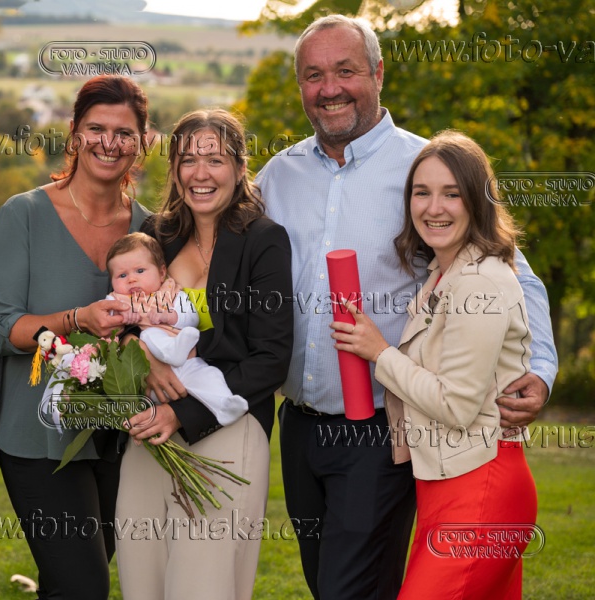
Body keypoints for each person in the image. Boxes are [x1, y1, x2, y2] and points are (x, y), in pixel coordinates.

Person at [255, 14, 558, 599]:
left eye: (345, 71)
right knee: (324, 582)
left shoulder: (428, 170)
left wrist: (541, 368)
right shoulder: (278, 176)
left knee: (351, 589)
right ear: (300, 86)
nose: (329, 88)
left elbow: (518, 275)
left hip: (381, 427)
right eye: (313, 75)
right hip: (297, 427)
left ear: (378, 73)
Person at [331, 130, 537, 597]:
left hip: (480, 490)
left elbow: (457, 405)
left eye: (452, 194)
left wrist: (379, 352)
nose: (433, 207)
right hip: (441, 490)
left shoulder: (479, 283)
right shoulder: (443, 274)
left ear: (478, 202)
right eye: (421, 193)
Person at [0, 74, 151, 599]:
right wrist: (75, 320)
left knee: (73, 580)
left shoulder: (151, 230)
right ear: (75, 134)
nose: (108, 142)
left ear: (142, 143)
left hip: (120, 439)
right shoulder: (26, 214)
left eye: (124, 132)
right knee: (84, 586)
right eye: (96, 128)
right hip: (39, 438)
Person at [115, 109, 294, 600]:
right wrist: (137, 351)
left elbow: (271, 358)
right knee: (141, 574)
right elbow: (123, 316)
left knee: (201, 583)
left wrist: (184, 413)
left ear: (239, 168)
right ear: (174, 169)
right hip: (149, 427)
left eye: (215, 160)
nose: (201, 173)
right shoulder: (157, 233)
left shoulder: (264, 241)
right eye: (188, 160)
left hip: (227, 423)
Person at [106, 232, 249, 425]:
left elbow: (192, 316)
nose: (131, 279)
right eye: (122, 275)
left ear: (161, 273)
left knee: (208, 374)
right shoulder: (116, 300)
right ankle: (172, 351)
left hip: (186, 362)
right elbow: (106, 326)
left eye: (140, 271)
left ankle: (224, 405)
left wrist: (170, 316)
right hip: (151, 375)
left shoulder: (171, 293)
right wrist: (123, 318)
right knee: (151, 334)